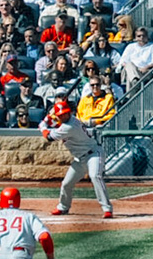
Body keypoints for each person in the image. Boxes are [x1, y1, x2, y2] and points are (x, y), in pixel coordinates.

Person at [40, 84, 114, 219]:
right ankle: (63, 207)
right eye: (61, 115)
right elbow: (57, 124)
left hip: (94, 154)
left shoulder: (71, 125)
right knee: (66, 184)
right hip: (80, 159)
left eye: (66, 113)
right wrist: (51, 118)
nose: (64, 116)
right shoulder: (65, 123)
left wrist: (43, 124)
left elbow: (49, 137)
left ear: (70, 112)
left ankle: (107, 209)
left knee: (95, 176)